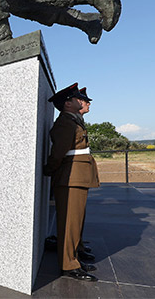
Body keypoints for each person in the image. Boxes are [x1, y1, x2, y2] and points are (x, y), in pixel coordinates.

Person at [45, 83, 100, 281]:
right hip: (70, 176)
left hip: (77, 175)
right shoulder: (65, 123)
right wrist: (50, 170)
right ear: (67, 104)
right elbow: (58, 152)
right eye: (80, 99)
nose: (85, 102)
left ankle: (73, 257)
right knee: (69, 222)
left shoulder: (73, 121)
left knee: (75, 221)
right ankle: (68, 265)